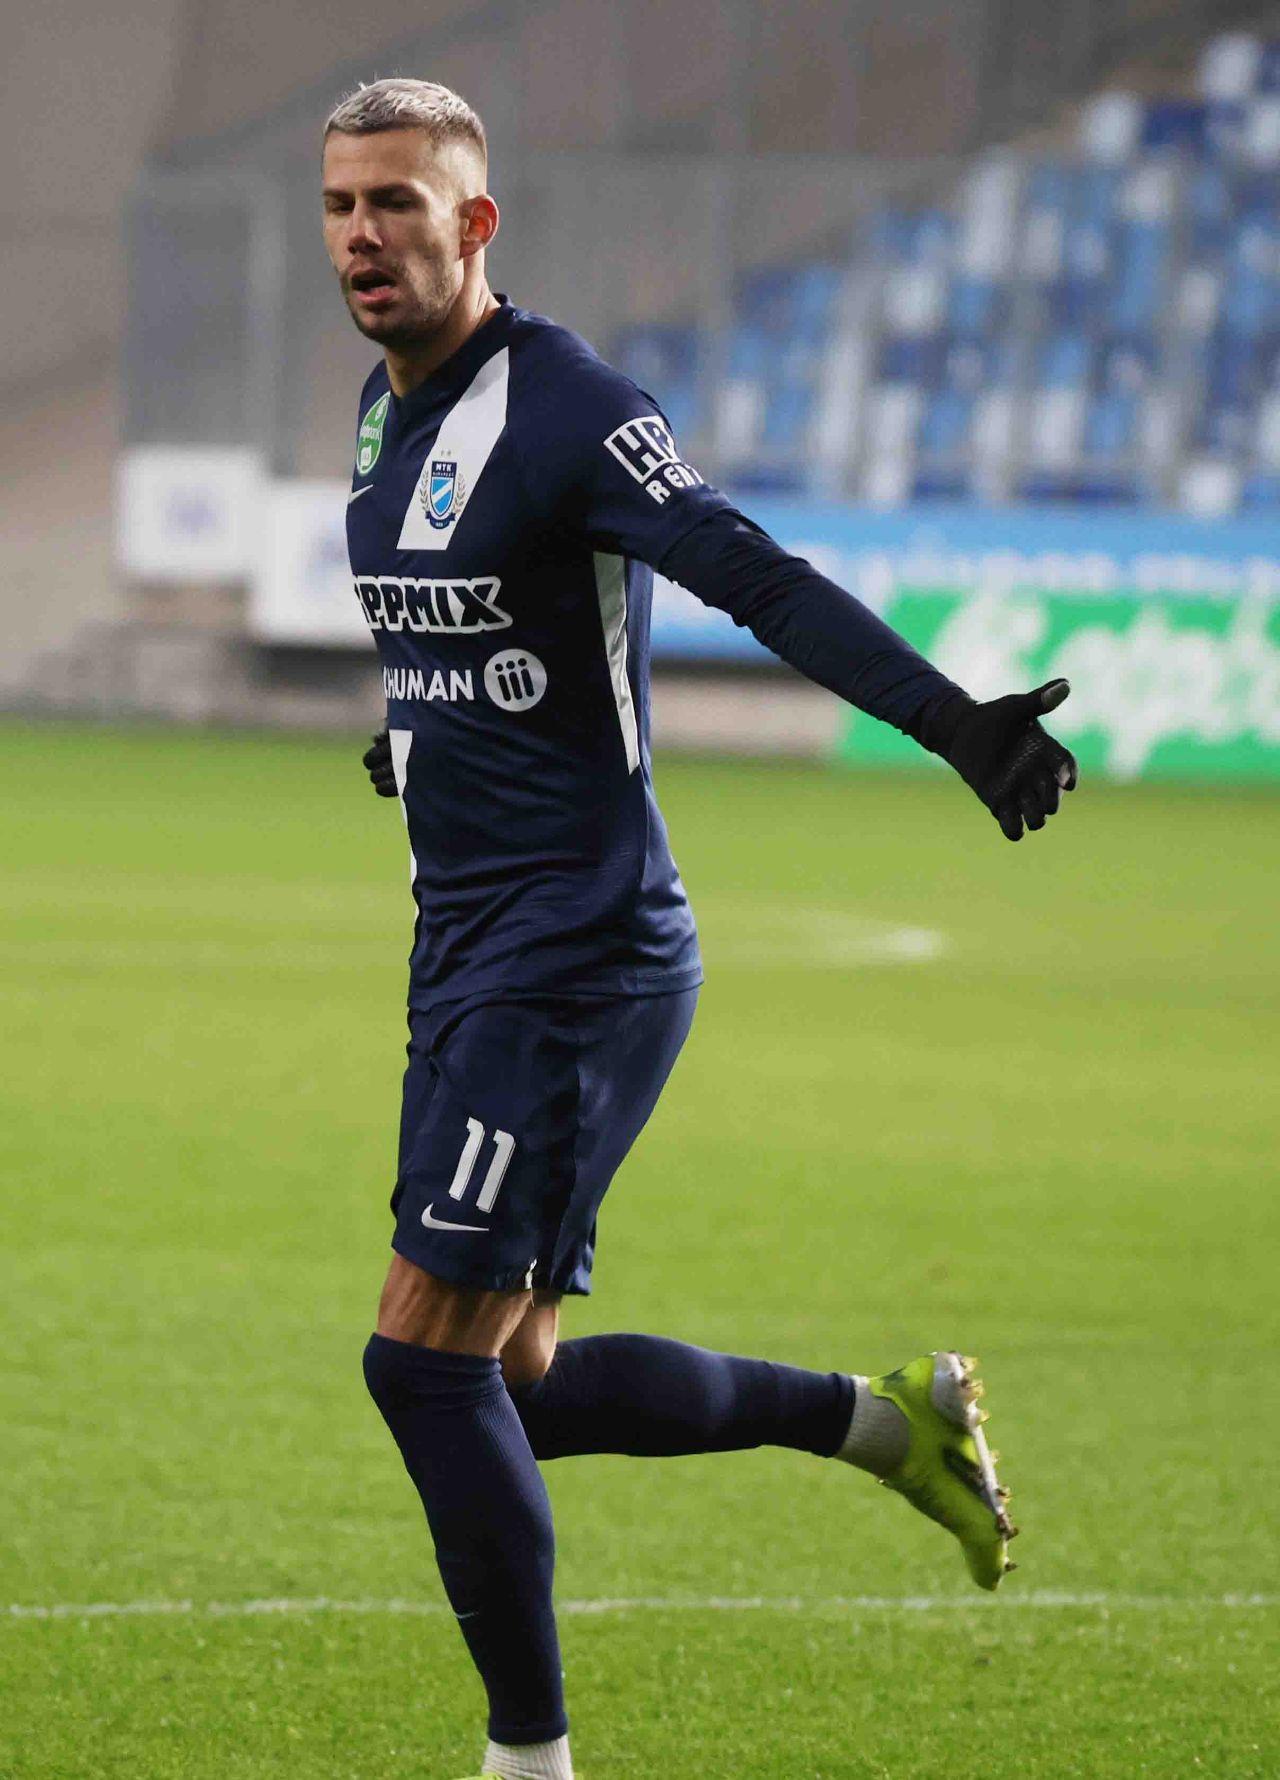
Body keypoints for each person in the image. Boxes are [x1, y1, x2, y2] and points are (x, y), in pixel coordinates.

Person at [322, 76, 1074, 1780]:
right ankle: (889, 1423)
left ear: (474, 222)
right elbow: (482, 645)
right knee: (510, 1384)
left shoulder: (574, 411)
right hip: (469, 951)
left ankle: (530, 1765)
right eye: (342, 206)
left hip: (577, 955)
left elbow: (752, 573)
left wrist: (954, 723)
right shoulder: (382, 416)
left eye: (397, 204)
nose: (363, 236)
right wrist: (419, 738)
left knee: (419, 1369)